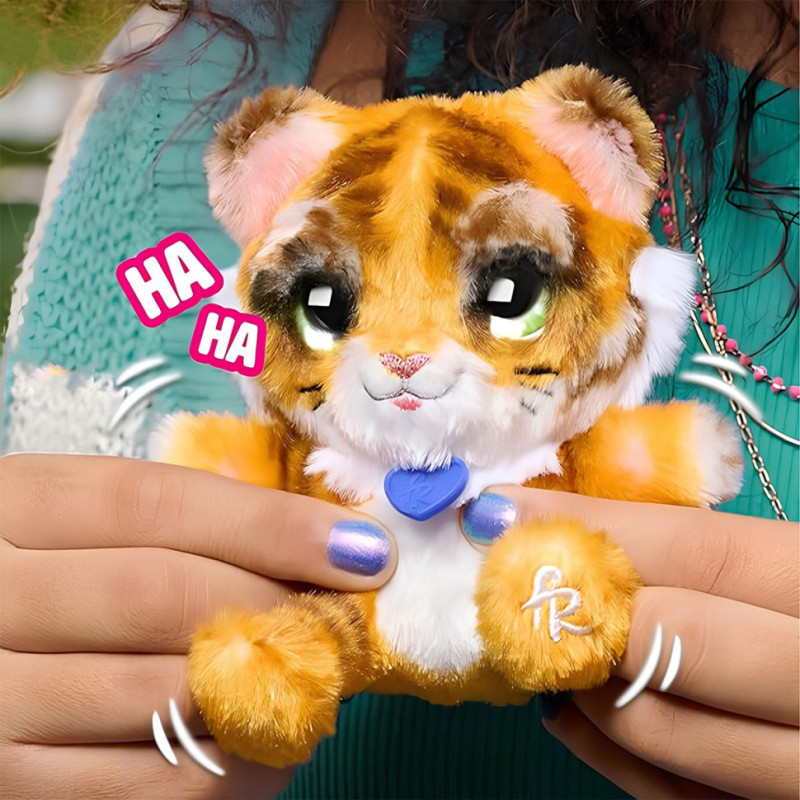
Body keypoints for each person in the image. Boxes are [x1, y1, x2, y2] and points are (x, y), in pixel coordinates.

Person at [1, 1, 797, 798]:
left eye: (510, 292)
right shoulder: (184, 71)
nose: (404, 358)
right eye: (324, 305)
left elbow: (655, 456)